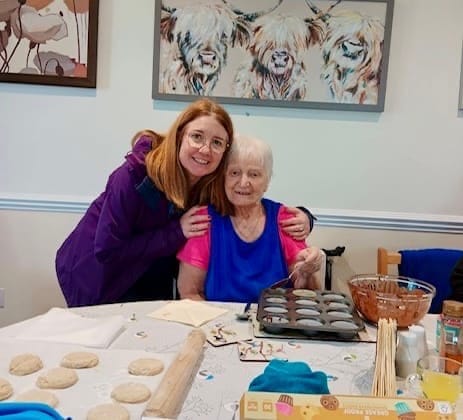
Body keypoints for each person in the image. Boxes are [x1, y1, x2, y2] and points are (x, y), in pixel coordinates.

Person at [56, 99, 312, 307]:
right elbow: (107, 250)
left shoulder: (209, 182)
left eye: (217, 143)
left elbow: (244, 200)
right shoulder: (133, 176)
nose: (205, 149)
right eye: (197, 137)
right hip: (95, 273)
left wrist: (304, 217)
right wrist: (176, 232)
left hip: (148, 276)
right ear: (179, 135)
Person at [177, 134, 323, 303]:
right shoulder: (204, 221)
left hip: (274, 317)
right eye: (234, 173)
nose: (243, 182)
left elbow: (308, 293)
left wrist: (307, 272)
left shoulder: (285, 219)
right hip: (219, 318)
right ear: (223, 177)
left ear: (267, 181)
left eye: (254, 174)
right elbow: (189, 293)